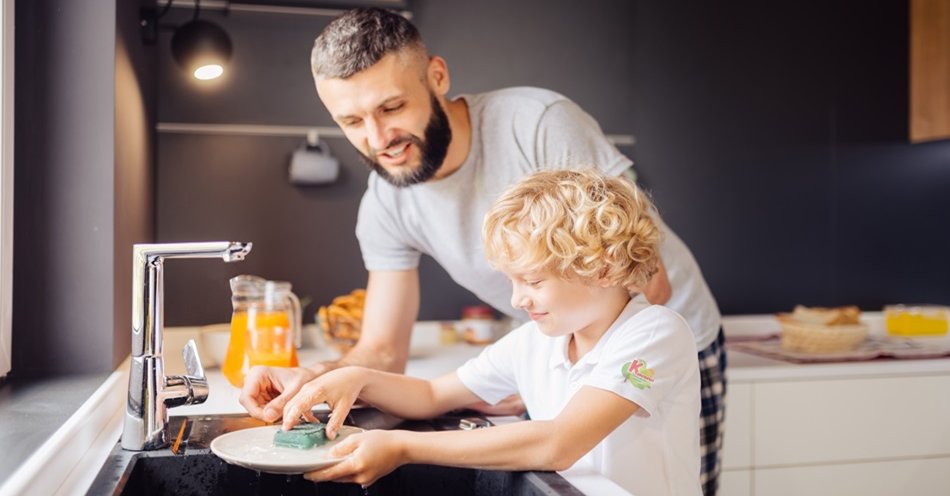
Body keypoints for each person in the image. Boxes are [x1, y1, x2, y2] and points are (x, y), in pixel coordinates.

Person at [239, 7, 726, 494]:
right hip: (566, 332)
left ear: (437, 77)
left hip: (658, 327)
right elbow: (386, 352)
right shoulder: (389, 202)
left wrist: (560, 387)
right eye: (350, 120)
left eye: (391, 108)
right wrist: (318, 379)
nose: (377, 139)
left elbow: (648, 285)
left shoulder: (536, 124)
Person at [280, 169, 701, 495]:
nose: (518, 300)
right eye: (512, 282)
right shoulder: (535, 340)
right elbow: (431, 397)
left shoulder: (654, 332)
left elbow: (558, 443)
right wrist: (358, 379)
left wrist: (403, 448)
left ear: (604, 268)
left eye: (533, 282)